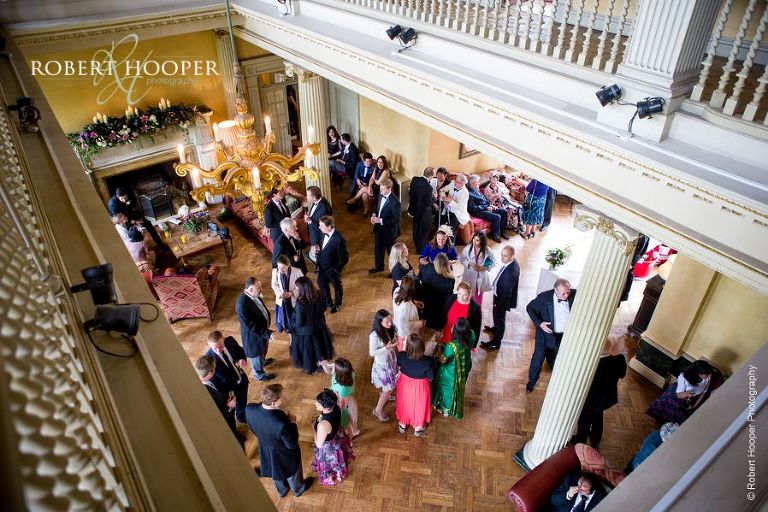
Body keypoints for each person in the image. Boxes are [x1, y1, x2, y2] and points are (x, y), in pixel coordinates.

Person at [246, 384, 314, 498]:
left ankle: (281, 491)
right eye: (281, 396)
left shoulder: (250, 408)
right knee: (292, 471)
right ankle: (298, 489)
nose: (284, 398)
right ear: (273, 403)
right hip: (284, 453)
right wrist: (292, 423)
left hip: (265, 447)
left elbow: (251, 427)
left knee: (275, 471)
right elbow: (291, 444)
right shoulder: (281, 424)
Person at [572, 341, 627, 448]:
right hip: (606, 398)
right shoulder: (619, 359)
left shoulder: (592, 365)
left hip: (590, 400)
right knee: (598, 415)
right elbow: (622, 374)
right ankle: (596, 438)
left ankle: (581, 441)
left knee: (584, 420)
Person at [524, 278, 576, 392]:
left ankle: (553, 371)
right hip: (544, 335)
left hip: (562, 337)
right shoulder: (544, 298)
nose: (567, 295)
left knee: (556, 358)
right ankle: (531, 382)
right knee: (537, 360)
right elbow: (530, 308)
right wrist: (540, 324)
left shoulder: (574, 295)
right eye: (563, 293)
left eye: (568, 292)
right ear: (555, 290)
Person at [195, 355, 245, 448]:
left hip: (228, 410)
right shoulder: (202, 392)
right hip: (223, 419)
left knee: (232, 425)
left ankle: (234, 432)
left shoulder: (210, 378)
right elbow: (212, 414)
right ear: (210, 373)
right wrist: (229, 407)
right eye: (214, 367)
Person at [647, 359, 715, 425]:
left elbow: (703, 392)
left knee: (680, 417)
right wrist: (686, 394)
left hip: (687, 397)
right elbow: (679, 395)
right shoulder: (683, 377)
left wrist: (695, 405)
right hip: (676, 393)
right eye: (707, 374)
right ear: (699, 373)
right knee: (668, 411)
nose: (710, 376)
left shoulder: (707, 378)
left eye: (710, 374)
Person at [290, 276, 334, 374]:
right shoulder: (320, 294)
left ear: (301, 289)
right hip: (320, 327)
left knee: (308, 353)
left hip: (306, 333)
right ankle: (321, 361)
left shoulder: (300, 303)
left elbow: (299, 323)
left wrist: (292, 323)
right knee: (320, 347)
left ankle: (310, 367)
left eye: (297, 288)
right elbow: (324, 309)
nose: (295, 289)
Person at [312, 389, 355, 486]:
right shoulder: (335, 407)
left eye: (318, 404)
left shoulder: (323, 425)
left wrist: (313, 428)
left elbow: (319, 444)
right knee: (338, 461)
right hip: (338, 437)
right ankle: (340, 473)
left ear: (326, 407)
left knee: (330, 464)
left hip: (329, 447)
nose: (315, 404)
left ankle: (331, 477)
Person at [480, 246, 520, 351]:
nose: (502, 258)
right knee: (497, 316)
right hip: (499, 295)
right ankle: (495, 329)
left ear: (512, 256)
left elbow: (507, 293)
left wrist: (498, 303)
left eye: (505, 256)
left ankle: (496, 342)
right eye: (502, 255)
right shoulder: (511, 264)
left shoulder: (511, 272)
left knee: (500, 319)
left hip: (501, 300)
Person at [205, 331, 250, 423]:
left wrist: (242, 358)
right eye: (214, 348)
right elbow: (215, 381)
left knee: (242, 400)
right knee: (232, 409)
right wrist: (227, 396)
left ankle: (241, 417)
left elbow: (239, 350)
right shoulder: (209, 360)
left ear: (223, 340)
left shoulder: (230, 341)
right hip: (229, 388)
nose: (218, 350)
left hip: (241, 379)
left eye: (220, 346)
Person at [235, 277, 275, 381]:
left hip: (262, 332)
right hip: (253, 337)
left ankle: (262, 362)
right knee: (257, 355)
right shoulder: (242, 305)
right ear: (250, 289)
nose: (261, 289)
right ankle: (259, 374)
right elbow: (251, 326)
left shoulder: (253, 294)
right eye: (258, 287)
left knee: (263, 350)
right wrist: (267, 333)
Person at [433, 318, 473, 419]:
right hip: (465, 365)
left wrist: (438, 346)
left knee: (448, 390)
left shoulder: (451, 346)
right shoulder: (471, 334)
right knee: (458, 387)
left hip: (451, 373)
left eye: (453, 327)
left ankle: (446, 409)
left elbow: (442, 360)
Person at [395, 334, 435, 436]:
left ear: (407, 346)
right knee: (419, 404)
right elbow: (431, 377)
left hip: (405, 383)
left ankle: (402, 424)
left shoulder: (402, 356)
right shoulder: (427, 361)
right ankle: (418, 427)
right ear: (422, 347)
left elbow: (399, 365)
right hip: (420, 385)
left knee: (405, 401)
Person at [369, 309, 399, 422]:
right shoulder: (374, 335)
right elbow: (372, 353)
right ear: (380, 322)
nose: (390, 323)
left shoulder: (389, 328)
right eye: (387, 322)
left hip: (390, 360)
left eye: (390, 320)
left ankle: (385, 394)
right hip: (383, 366)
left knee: (388, 387)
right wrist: (386, 348)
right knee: (389, 388)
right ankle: (378, 409)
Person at [315, 216, 348, 314]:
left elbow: (344, 258)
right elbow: (323, 248)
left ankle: (337, 304)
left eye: (321, 225)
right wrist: (318, 250)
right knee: (322, 285)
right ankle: (328, 302)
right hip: (321, 267)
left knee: (337, 287)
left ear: (329, 227)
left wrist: (336, 269)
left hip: (332, 269)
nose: (319, 227)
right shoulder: (323, 233)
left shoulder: (339, 240)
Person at [319, 358, 360, 438]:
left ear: (339, 374)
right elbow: (330, 371)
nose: (333, 365)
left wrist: (332, 408)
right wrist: (326, 365)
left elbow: (342, 406)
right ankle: (353, 431)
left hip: (343, 406)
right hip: (341, 399)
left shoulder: (343, 389)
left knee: (345, 424)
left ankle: (350, 438)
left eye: (335, 366)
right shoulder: (349, 373)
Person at [369, 178, 401, 274]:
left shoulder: (395, 202)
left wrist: (380, 220)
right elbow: (378, 208)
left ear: (389, 189)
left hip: (389, 231)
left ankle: (394, 272)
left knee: (391, 252)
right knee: (378, 248)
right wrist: (374, 215)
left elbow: (396, 220)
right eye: (380, 188)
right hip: (379, 228)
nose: (380, 191)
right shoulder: (381, 195)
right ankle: (379, 266)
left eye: (382, 189)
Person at [466, 174, 509, 242]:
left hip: (485, 208)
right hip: (477, 212)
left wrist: (491, 205)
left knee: (504, 211)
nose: (479, 183)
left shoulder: (477, 190)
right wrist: (486, 208)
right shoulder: (469, 194)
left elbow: (485, 201)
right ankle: (495, 235)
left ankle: (502, 231)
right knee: (497, 217)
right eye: (478, 182)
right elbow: (472, 208)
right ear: (473, 183)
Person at [419, 253, 456, 331]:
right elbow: (448, 298)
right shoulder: (450, 280)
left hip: (425, 302)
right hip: (439, 307)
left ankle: (427, 324)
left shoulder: (427, 268)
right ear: (447, 264)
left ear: (435, 262)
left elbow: (420, 278)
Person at [459, 231, 495, 305]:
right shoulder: (467, 249)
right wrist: (470, 263)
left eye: (477, 240)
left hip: (481, 276)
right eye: (474, 239)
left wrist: (484, 268)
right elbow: (462, 259)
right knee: (468, 293)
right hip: (469, 275)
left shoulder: (487, 250)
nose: (474, 242)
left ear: (482, 241)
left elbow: (493, 261)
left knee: (478, 295)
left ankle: (476, 310)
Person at [271, 255, 302, 333]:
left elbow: (302, 286)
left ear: (289, 265)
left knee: (294, 317)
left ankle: (294, 330)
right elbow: (274, 284)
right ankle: (286, 328)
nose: (281, 270)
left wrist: (292, 293)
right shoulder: (275, 271)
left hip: (294, 300)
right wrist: (280, 293)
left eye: (283, 268)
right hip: (282, 299)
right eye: (279, 267)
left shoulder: (297, 271)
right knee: (283, 317)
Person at [442, 282, 481, 347]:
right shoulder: (452, 298)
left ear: (469, 295)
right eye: (459, 294)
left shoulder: (475, 308)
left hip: (461, 340)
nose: (461, 297)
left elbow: (476, 328)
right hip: (447, 333)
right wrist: (438, 329)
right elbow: (443, 313)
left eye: (465, 295)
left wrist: (473, 344)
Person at [408, 167, 435, 252]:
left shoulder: (414, 179)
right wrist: (434, 197)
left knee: (416, 227)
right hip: (424, 212)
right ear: (431, 176)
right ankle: (421, 249)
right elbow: (428, 203)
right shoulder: (429, 188)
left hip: (414, 209)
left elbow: (410, 193)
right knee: (424, 230)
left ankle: (416, 244)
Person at [304, 186, 332, 263]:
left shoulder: (324, 208)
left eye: (308, 195)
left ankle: (318, 267)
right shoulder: (318, 201)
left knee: (319, 253)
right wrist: (309, 217)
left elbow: (323, 226)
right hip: (314, 233)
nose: (306, 196)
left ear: (314, 197)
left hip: (319, 235)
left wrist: (310, 220)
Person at [393, 276, 425, 342]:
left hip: (398, 325)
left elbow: (405, 298)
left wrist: (415, 302)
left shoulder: (397, 291)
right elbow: (405, 324)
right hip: (406, 333)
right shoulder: (405, 307)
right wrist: (420, 323)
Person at [440, 173, 470, 240]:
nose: (455, 183)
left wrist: (450, 200)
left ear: (463, 183)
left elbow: (460, 208)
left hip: (457, 214)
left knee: (450, 233)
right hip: (447, 209)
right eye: (456, 181)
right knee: (442, 228)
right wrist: (442, 193)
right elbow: (443, 190)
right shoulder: (453, 183)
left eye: (458, 182)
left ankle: (450, 247)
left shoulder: (465, 193)